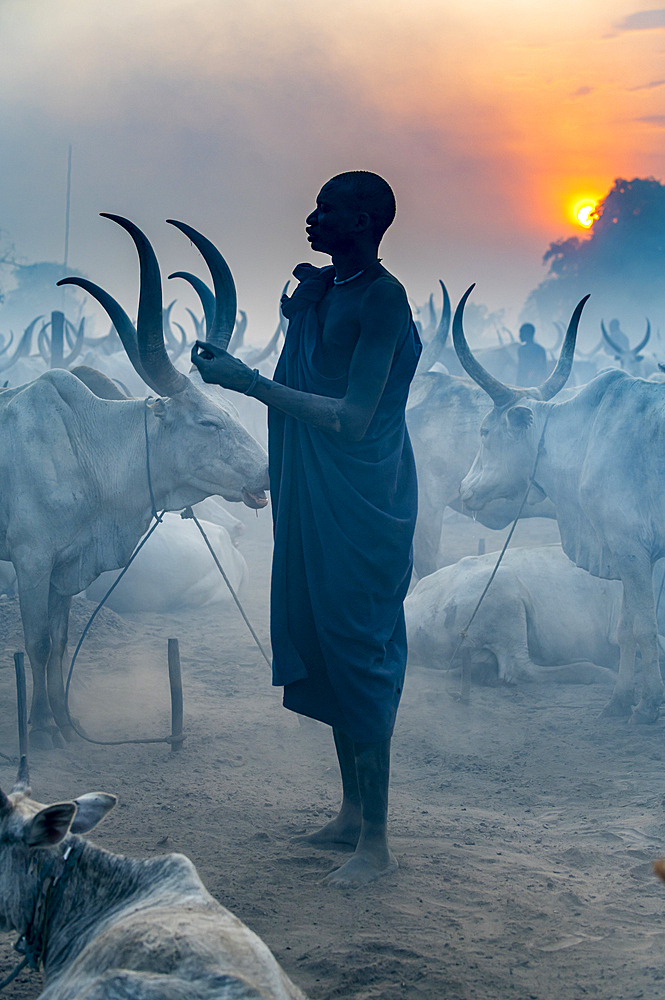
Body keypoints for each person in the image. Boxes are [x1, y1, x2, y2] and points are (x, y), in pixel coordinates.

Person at [191, 171, 421, 888]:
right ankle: (350, 813)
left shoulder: (383, 300)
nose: (311, 218)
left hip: (362, 498)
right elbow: (313, 357)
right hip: (310, 489)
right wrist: (307, 303)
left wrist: (245, 382)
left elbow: (351, 419)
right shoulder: (328, 289)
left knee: (358, 650)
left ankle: (376, 844)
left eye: (327, 210)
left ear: (362, 220)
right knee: (322, 640)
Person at [516, 322, 547, 386]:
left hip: (532, 382)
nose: (520, 336)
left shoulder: (522, 350)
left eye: (522, 333)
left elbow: (521, 369)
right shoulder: (540, 349)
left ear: (527, 334)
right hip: (531, 381)